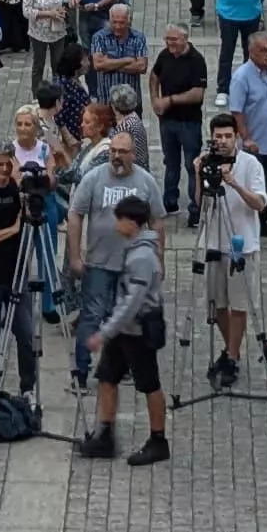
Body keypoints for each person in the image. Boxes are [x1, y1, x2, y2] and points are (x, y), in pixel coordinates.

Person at [79, 193, 173, 466]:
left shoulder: (142, 257)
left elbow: (132, 302)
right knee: (107, 377)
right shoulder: (136, 249)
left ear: (131, 222)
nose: (115, 224)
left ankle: (158, 440)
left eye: (119, 219)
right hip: (125, 331)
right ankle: (104, 434)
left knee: (149, 384)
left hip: (138, 330)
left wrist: (104, 332)